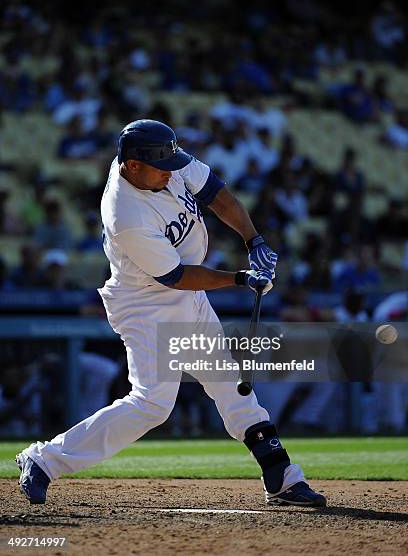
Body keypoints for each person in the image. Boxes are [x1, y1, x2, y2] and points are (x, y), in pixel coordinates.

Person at [16, 119, 325, 508]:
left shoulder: (162, 161)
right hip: (147, 303)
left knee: (230, 383)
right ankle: (43, 460)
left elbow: (216, 194)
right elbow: (175, 276)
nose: (172, 172)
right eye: (162, 168)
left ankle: (283, 479)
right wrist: (240, 278)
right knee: (152, 404)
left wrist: (253, 239)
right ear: (132, 166)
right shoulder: (124, 213)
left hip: (188, 296)